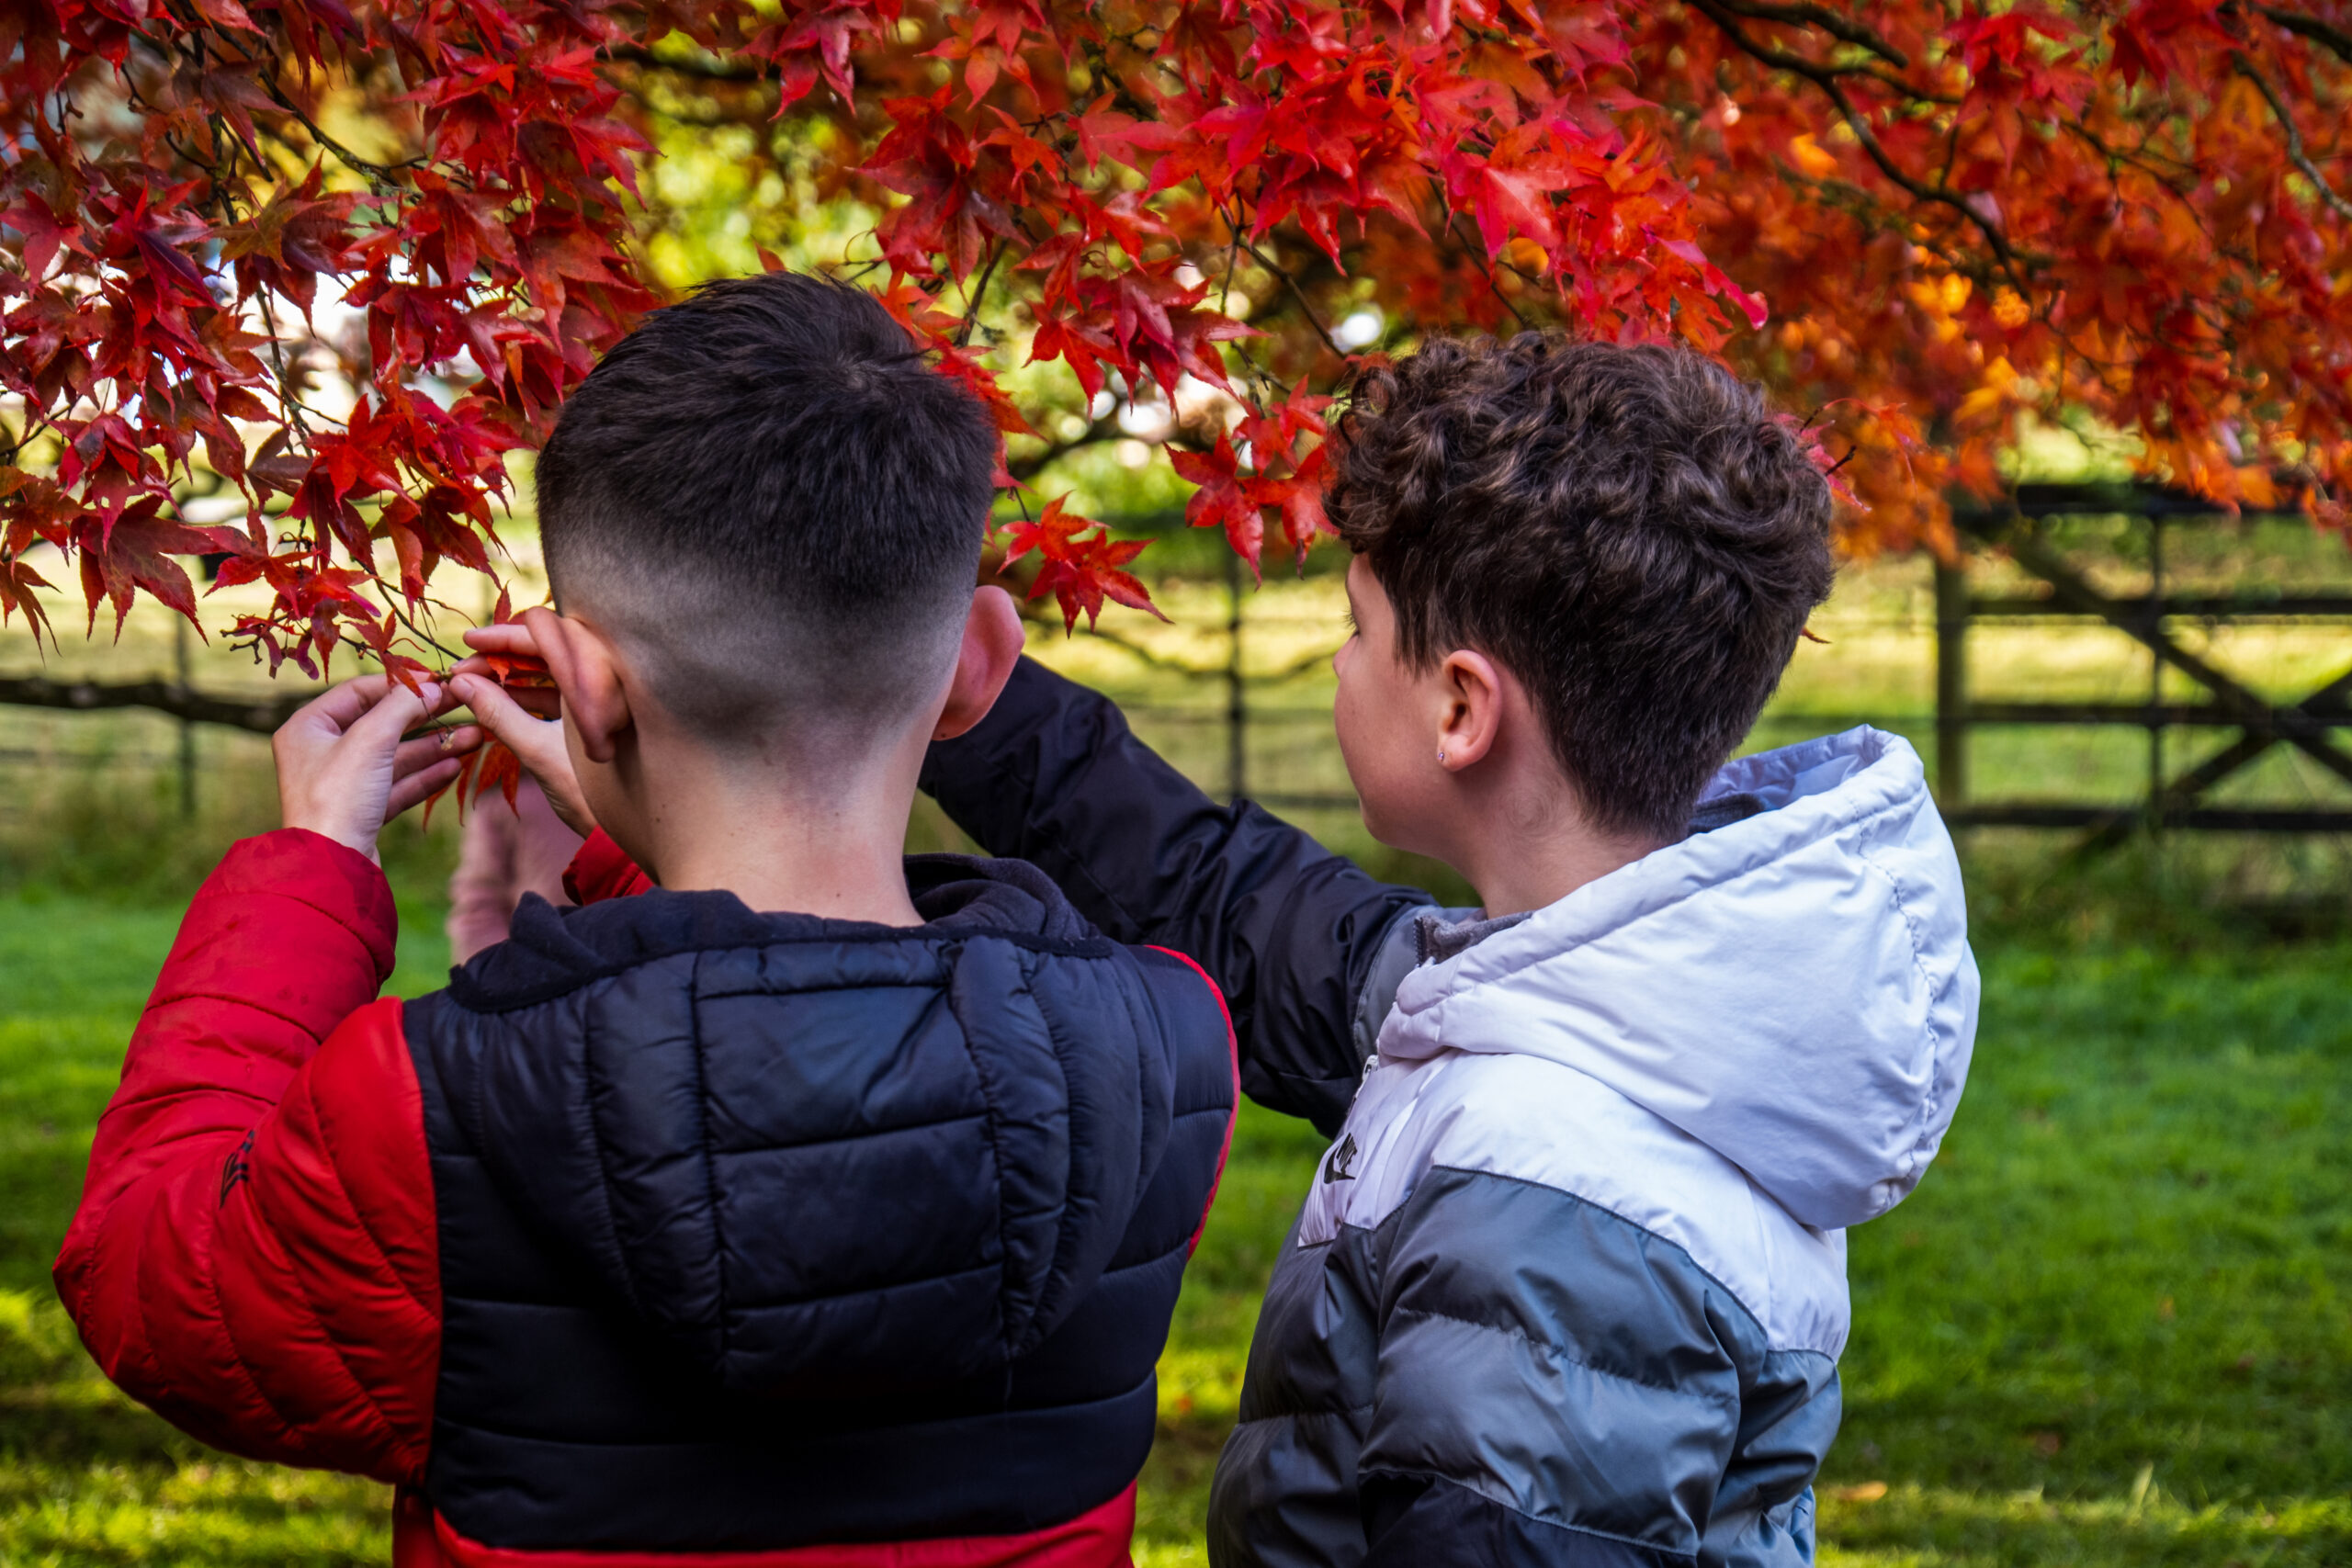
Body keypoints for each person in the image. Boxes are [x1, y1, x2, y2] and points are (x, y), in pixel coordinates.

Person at [55, 273, 1238, 1568]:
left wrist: (305, 871)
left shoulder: (432, 1108)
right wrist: (643, 835)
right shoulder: (1165, 1050)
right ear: (980, 660)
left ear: (576, 682)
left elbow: (152, 1278)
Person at [917, 336, 1980, 1566]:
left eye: (1359, 627)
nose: (1338, 660)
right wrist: (991, 716)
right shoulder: (1576, 996)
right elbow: (1241, 911)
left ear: (1462, 708)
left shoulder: (1558, 1213)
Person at [445, 775, 583, 964]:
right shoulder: (507, 796)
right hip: (543, 967)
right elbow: (483, 901)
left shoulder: (621, 781)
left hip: (625, 961)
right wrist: (496, 971)